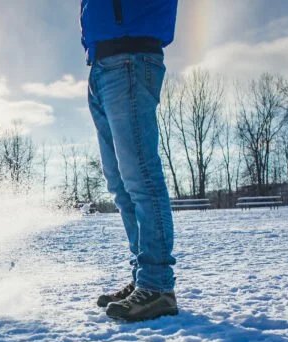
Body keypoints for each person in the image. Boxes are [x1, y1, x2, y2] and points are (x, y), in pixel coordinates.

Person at [83, 0, 179, 322]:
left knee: (141, 176)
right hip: (101, 61)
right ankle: (143, 278)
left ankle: (158, 285)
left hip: (131, 55)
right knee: (120, 184)